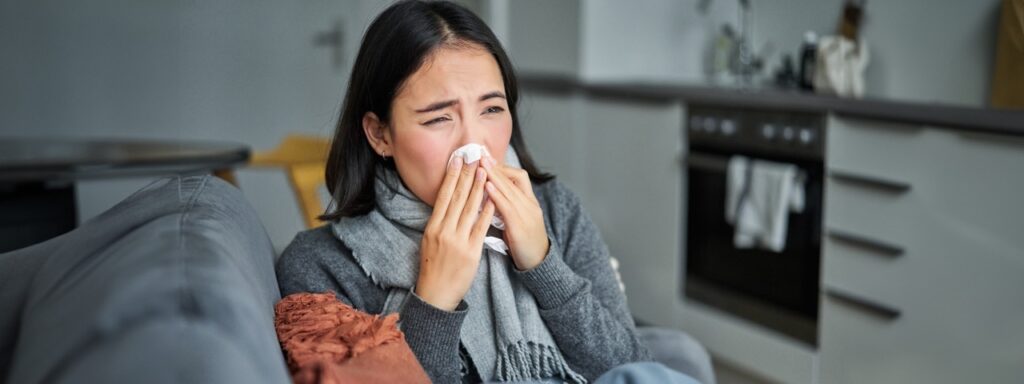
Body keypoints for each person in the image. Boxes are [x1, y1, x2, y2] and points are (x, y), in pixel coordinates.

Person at [275, 1, 698, 383]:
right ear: (379, 134)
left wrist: (543, 264)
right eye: (439, 118)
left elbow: (632, 366)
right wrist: (434, 299)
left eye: (492, 109)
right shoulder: (321, 266)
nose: (473, 145)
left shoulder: (554, 209)